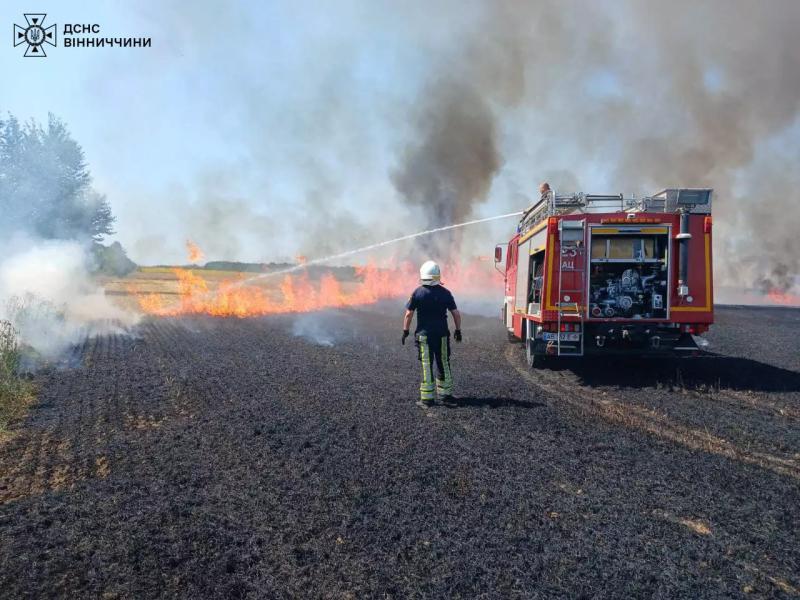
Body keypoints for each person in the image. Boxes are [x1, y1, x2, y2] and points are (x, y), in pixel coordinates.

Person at [402, 260, 462, 407]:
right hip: (441, 334)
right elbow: (456, 313)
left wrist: (405, 331)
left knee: (426, 364)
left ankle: (427, 399)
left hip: (424, 335)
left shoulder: (417, 292)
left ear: (423, 275)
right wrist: (458, 330)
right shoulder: (446, 293)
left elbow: (409, 314)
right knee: (443, 362)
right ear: (437, 276)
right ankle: (445, 395)